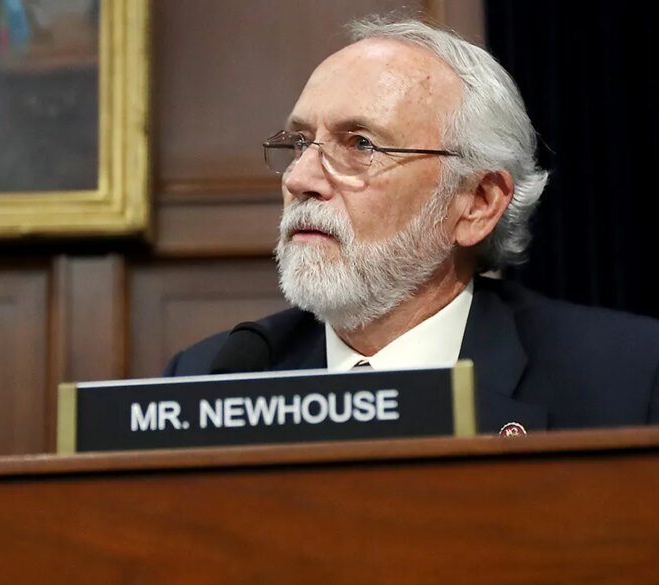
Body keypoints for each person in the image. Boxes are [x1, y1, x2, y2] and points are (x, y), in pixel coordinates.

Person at [163, 16, 659, 433]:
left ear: (478, 203)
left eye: (360, 145)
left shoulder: (628, 379)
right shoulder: (209, 379)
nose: (299, 178)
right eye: (299, 143)